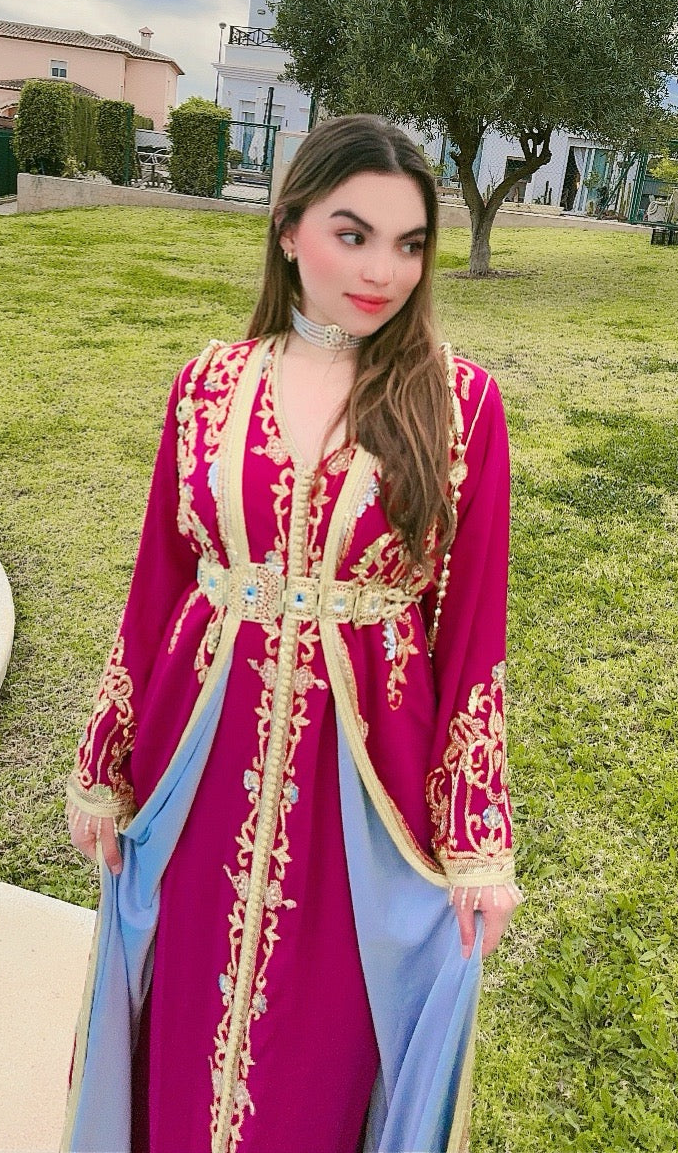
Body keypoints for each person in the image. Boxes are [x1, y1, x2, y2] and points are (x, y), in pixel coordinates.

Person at [63, 114, 520, 1153]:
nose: (384, 272)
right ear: (288, 228)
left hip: (366, 787)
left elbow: (472, 633)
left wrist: (480, 837)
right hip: (202, 759)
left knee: (327, 1049)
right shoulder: (208, 385)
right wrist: (107, 758)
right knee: (179, 1019)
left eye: (409, 244)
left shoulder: (461, 404)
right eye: (352, 234)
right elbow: (159, 585)